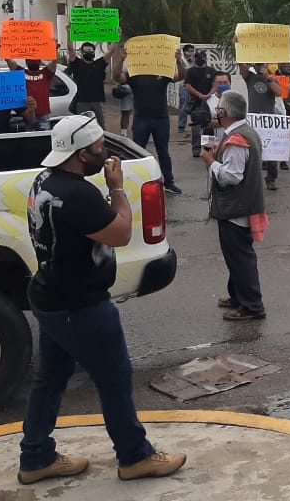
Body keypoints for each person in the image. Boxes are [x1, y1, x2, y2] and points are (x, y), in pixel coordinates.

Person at [19, 113, 186, 485]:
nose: (104, 155)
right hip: (80, 304)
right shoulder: (79, 193)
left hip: (50, 295)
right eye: (98, 150)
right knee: (114, 379)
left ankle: (35, 457)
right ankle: (135, 456)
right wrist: (117, 189)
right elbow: (121, 233)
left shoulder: (45, 179)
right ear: (80, 155)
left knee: (50, 380)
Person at [201, 91, 269, 321]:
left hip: (236, 208)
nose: (216, 112)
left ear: (224, 113)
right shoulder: (244, 132)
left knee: (240, 257)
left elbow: (231, 176)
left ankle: (252, 305)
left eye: (219, 109)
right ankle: (238, 296)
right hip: (240, 205)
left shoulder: (237, 138)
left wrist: (211, 163)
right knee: (235, 256)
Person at [117, 49, 185, 195]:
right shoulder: (134, 74)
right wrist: (121, 59)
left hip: (161, 118)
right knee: (137, 152)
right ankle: (135, 181)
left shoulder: (162, 72)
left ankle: (169, 182)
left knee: (163, 152)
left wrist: (179, 61)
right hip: (141, 118)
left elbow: (181, 76)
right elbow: (117, 77)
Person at [240, 63, 284, 190]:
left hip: (268, 120)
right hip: (254, 120)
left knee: (271, 153)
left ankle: (271, 178)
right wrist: (238, 45)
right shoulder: (250, 77)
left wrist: (267, 77)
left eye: (262, 64)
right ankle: (251, 178)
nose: (260, 66)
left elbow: (279, 92)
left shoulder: (272, 80)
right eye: (258, 64)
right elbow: (241, 66)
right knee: (252, 150)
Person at [65, 36, 117, 128]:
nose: (89, 53)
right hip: (82, 101)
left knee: (101, 128)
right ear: (82, 53)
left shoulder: (99, 63)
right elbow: (70, 49)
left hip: (98, 101)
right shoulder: (77, 64)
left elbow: (111, 51)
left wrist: (117, 36)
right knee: (82, 128)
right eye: (86, 51)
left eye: (91, 51)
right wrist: (68, 32)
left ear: (94, 52)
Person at [7, 49, 59, 131]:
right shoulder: (20, 73)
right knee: (28, 142)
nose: (33, 62)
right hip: (26, 115)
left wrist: (54, 49)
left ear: (39, 61)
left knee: (44, 141)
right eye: (30, 60)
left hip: (43, 115)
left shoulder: (46, 73)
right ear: (26, 62)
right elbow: (8, 60)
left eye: (35, 60)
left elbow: (54, 61)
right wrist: (2, 45)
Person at [183, 50, 218, 158]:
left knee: (209, 126)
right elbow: (188, 86)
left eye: (202, 58)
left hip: (209, 103)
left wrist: (208, 95)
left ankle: (208, 148)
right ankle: (196, 149)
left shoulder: (211, 71)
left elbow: (215, 84)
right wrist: (199, 95)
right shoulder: (191, 71)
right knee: (196, 127)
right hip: (195, 103)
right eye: (198, 58)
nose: (200, 60)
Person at [176, 44, 195, 133]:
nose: (191, 53)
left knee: (195, 106)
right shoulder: (181, 61)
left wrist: (194, 62)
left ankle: (196, 123)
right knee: (183, 106)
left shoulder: (195, 60)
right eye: (189, 51)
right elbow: (184, 74)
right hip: (184, 86)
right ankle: (181, 126)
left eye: (192, 51)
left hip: (195, 86)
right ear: (184, 52)